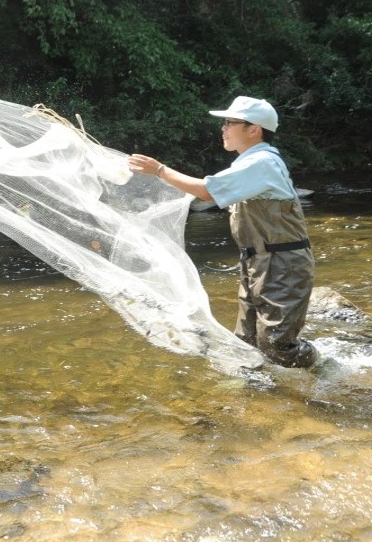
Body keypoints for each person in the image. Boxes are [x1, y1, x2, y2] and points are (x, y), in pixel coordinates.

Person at [127, 96, 318, 368]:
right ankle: (261, 395)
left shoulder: (262, 162)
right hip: (258, 262)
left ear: (254, 130)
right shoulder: (248, 163)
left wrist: (159, 170)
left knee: (278, 347)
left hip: (283, 264)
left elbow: (207, 191)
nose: (223, 128)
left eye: (230, 122)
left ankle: (320, 366)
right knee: (246, 342)